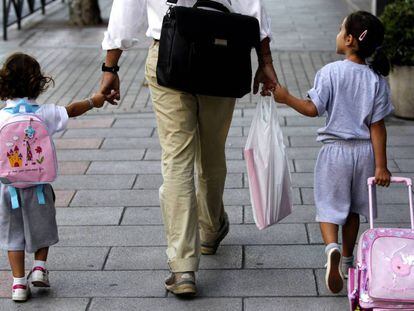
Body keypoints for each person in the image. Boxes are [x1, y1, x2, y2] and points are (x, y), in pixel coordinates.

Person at [100, 0, 278, 296]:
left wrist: (110, 66)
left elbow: (125, 10)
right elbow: (253, 7)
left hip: (170, 50)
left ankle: (183, 267)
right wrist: (265, 60)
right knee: (212, 151)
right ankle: (210, 229)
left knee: (176, 158)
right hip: (224, 49)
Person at [273, 11, 393, 294]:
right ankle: (350, 261)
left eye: (341, 30)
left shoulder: (329, 72)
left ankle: (332, 248)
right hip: (364, 154)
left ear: (350, 40)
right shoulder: (376, 80)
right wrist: (381, 166)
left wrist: (285, 96)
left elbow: (312, 109)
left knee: (329, 206)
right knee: (352, 210)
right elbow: (378, 127)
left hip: (334, 154)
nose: (338, 33)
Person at [0, 53, 116, 302]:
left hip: (8, 189)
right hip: (39, 187)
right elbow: (71, 110)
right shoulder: (44, 113)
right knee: (43, 226)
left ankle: (19, 284)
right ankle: (40, 267)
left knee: (13, 236)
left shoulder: (1, 117)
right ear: (37, 83)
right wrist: (94, 101)